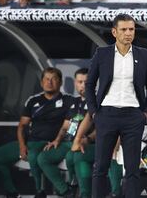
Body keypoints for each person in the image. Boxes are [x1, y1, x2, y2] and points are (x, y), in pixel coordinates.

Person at [85, 13, 147, 198]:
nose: (128, 33)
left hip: (133, 115)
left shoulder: (143, 54)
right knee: (100, 166)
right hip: (106, 115)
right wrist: (94, 112)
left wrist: (146, 112)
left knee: (132, 168)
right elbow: (89, 84)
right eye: (124, 29)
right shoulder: (102, 53)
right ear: (114, 32)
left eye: (131, 29)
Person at [0, 67, 74, 198]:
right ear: (41, 83)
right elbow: (22, 126)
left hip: (50, 144)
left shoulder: (68, 101)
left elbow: (72, 124)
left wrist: (60, 140)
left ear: (60, 82)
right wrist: (22, 146)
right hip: (30, 142)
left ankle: (41, 191)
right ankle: (12, 192)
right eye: (46, 79)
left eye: (53, 79)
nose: (49, 82)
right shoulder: (33, 100)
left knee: (34, 155)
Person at [37, 68, 89, 197]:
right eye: (80, 82)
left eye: (86, 82)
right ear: (75, 83)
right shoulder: (74, 102)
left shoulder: (98, 101)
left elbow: (101, 128)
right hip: (67, 142)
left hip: (84, 143)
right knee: (43, 158)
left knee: (74, 157)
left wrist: (88, 139)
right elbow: (65, 126)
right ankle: (66, 191)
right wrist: (57, 140)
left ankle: (77, 186)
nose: (83, 85)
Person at [71, 113, 123, 198]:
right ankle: (85, 194)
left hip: (125, 141)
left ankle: (116, 193)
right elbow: (91, 117)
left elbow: (123, 125)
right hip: (104, 143)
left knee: (113, 155)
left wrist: (115, 145)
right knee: (81, 154)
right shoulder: (100, 102)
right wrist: (85, 139)